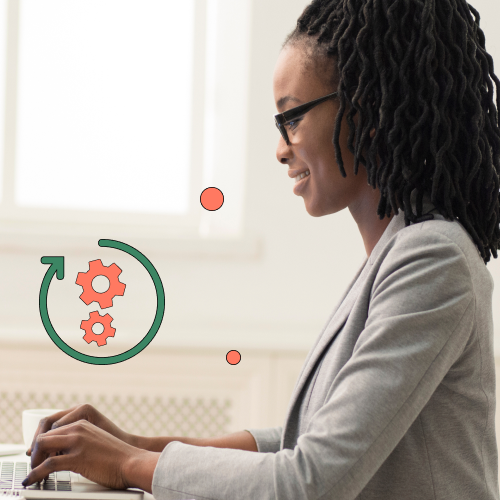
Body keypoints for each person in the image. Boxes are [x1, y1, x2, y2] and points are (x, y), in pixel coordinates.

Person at [23, 0, 500, 498]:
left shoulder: (433, 259)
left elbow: (308, 480)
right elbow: (308, 441)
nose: (280, 148)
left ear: (369, 108)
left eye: (291, 118)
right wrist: (137, 445)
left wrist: (129, 464)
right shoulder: (397, 253)